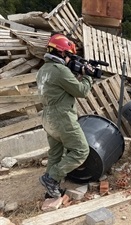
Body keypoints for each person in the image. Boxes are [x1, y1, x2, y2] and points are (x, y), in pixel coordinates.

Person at [36, 34, 93, 198]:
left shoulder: (43, 70)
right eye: (69, 55)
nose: (70, 59)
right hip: (62, 118)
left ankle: (50, 190)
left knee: (55, 153)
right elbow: (81, 91)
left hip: (47, 117)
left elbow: (61, 87)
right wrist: (87, 75)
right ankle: (51, 178)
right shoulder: (60, 70)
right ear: (61, 53)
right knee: (81, 150)